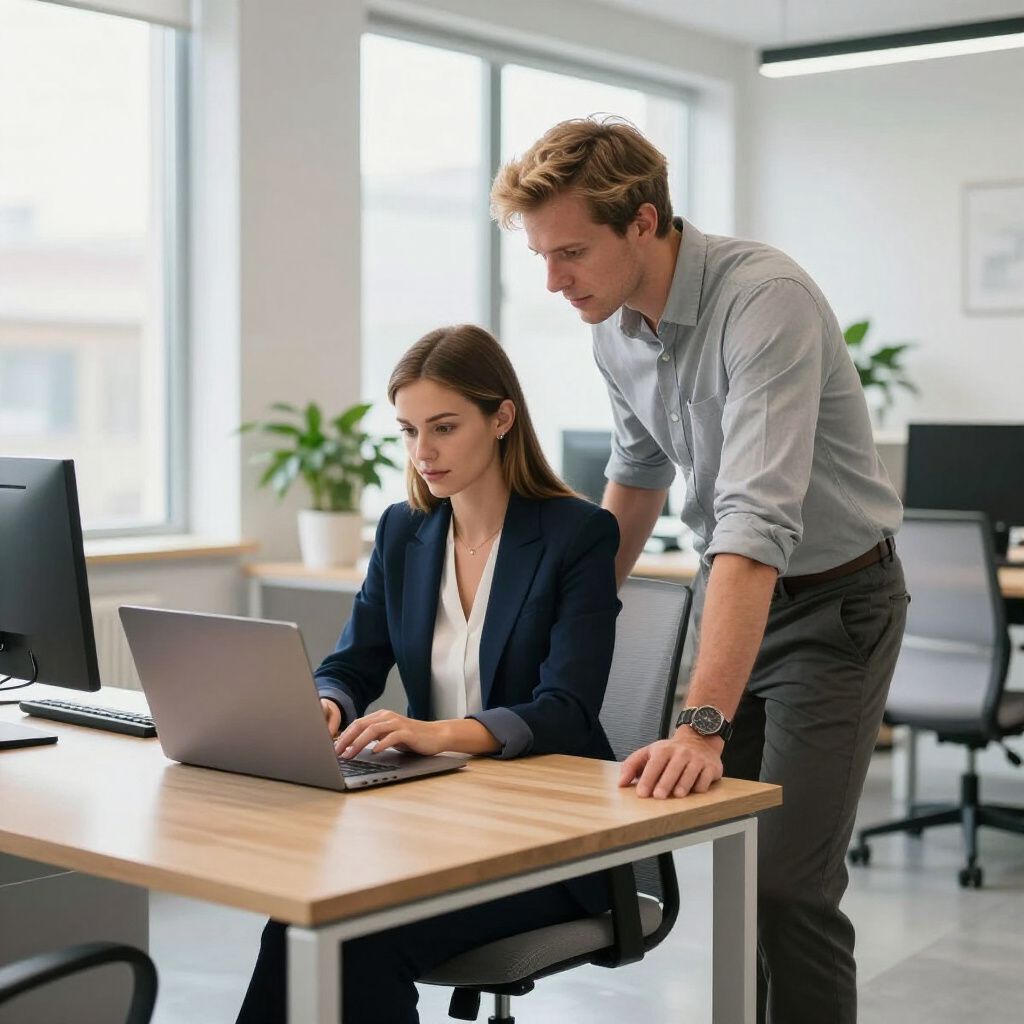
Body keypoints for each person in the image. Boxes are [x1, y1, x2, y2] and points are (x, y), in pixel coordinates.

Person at [490, 117, 909, 1024]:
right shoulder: (615, 328)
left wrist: (703, 722)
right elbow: (636, 481)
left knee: (790, 888)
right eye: (541, 256)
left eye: (571, 252)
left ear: (643, 222)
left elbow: (755, 522)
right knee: (741, 870)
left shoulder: (765, 302)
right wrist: (573, 617)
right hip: (734, 600)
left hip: (835, 605)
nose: (554, 281)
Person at [235, 323, 620, 1024]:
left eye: (443, 427)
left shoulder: (577, 534)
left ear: (502, 418)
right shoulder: (403, 531)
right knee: (294, 923)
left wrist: (438, 732)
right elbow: (353, 661)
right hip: (433, 823)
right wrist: (326, 701)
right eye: (408, 431)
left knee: (359, 940)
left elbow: (567, 708)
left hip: (550, 842)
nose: (423, 452)